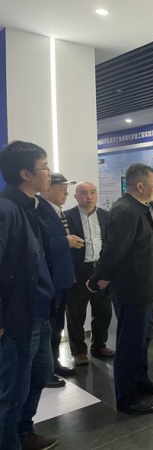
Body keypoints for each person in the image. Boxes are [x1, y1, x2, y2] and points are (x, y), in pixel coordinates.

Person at [88, 163, 153, 415]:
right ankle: (128, 398)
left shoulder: (140, 207)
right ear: (141, 186)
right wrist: (97, 278)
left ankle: (141, 381)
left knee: (141, 341)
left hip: (144, 287)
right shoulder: (125, 210)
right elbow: (113, 251)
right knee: (130, 344)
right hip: (133, 290)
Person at [0, 141, 60, 450]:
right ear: (25, 173)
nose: (50, 173)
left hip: (39, 311)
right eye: (45, 167)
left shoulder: (33, 206)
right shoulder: (6, 209)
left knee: (40, 374)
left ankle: (24, 432)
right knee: (12, 391)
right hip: (18, 318)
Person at [38, 173, 84, 388]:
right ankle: (45, 371)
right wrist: (65, 241)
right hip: (51, 280)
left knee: (57, 325)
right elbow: (40, 243)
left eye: (67, 187)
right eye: (61, 188)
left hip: (63, 279)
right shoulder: (39, 211)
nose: (66, 192)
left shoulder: (57, 211)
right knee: (49, 326)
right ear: (47, 188)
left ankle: (53, 363)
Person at [64, 182, 115, 366]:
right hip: (79, 269)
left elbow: (110, 242)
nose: (89, 196)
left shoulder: (106, 215)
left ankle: (99, 345)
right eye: (84, 193)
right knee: (76, 313)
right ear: (76, 196)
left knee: (103, 310)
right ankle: (79, 351)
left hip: (100, 268)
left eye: (93, 192)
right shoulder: (67, 216)